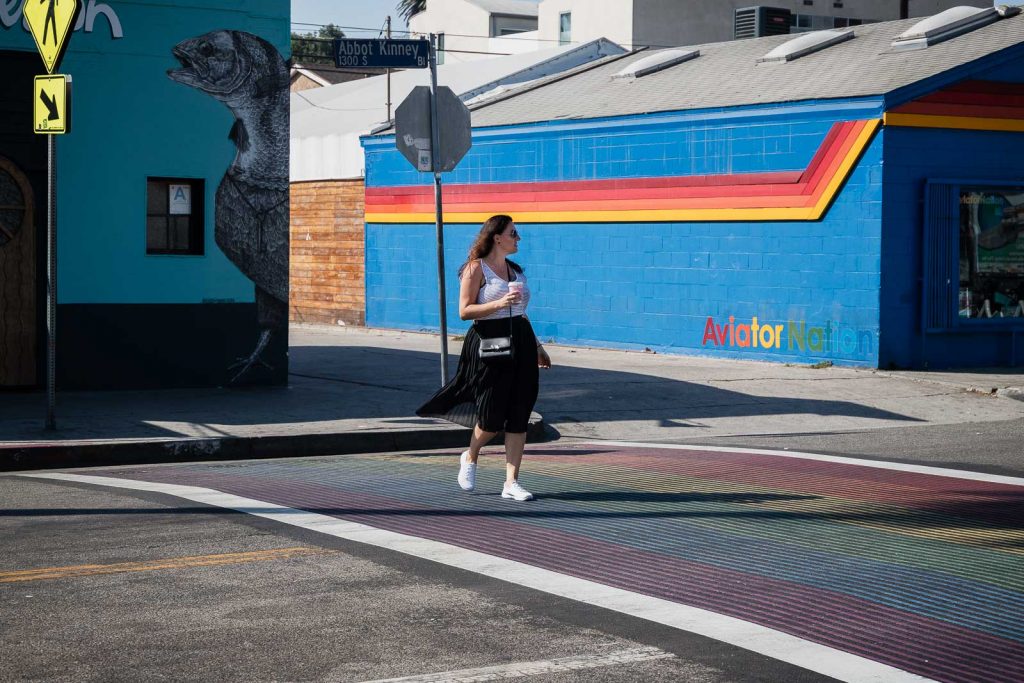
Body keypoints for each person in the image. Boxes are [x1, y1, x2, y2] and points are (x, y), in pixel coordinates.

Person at [417, 215, 551, 501]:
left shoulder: (516, 271)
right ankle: (471, 455)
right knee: (491, 415)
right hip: (490, 343)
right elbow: (464, 312)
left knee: (520, 413)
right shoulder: (475, 268)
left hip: (522, 342)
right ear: (497, 237)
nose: (518, 238)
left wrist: (538, 346)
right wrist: (499, 303)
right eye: (513, 233)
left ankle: (511, 482)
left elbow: (521, 313)